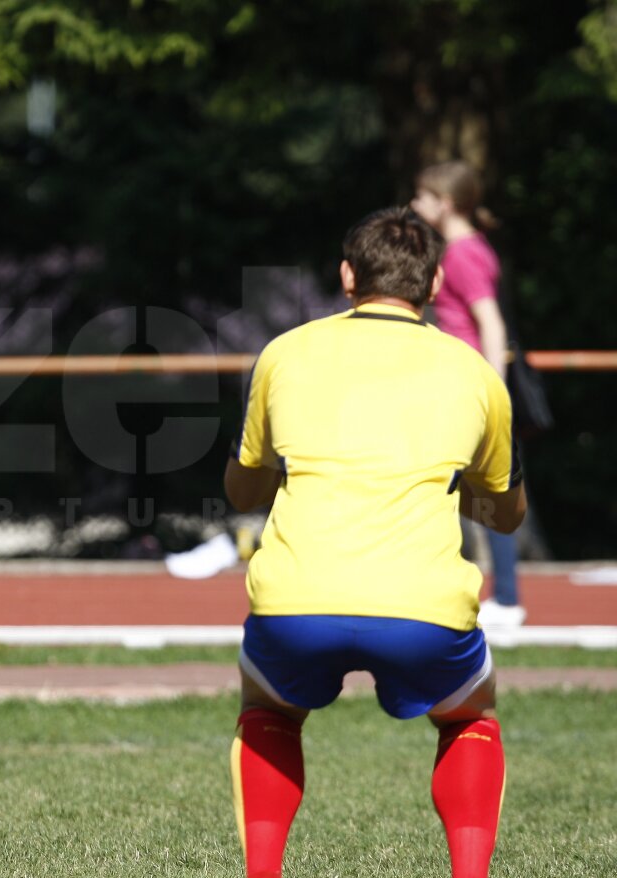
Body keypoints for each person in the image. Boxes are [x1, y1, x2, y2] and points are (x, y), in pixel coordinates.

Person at [225, 207, 525, 878]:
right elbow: (505, 515)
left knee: (267, 704)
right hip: (424, 611)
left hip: (294, 603)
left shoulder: (284, 352)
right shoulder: (475, 372)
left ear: (347, 275)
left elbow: (244, 493)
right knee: (469, 716)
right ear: (437, 281)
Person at [410, 161, 526, 629]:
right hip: (461, 382)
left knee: (480, 487)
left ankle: (506, 598)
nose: (415, 205)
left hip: (466, 386)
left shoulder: (462, 254)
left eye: (421, 197)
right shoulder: (465, 249)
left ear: (446, 202)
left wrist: (492, 391)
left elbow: (491, 323)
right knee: (470, 489)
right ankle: (491, 595)